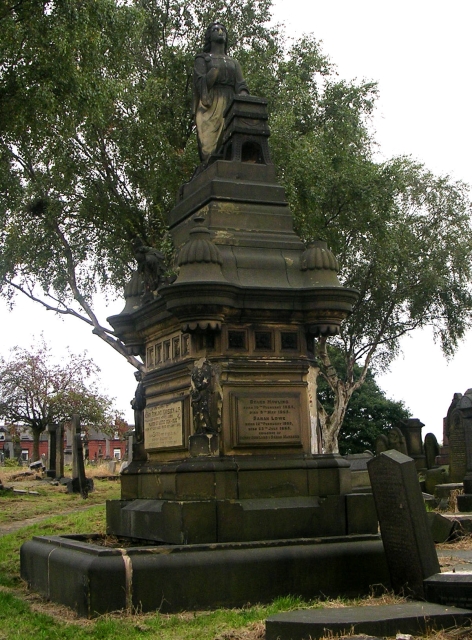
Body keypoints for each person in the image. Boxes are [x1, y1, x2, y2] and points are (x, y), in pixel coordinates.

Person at [193, 23, 249, 162]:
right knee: (208, 148)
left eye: (223, 30)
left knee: (229, 145)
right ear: (209, 36)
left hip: (230, 104)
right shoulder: (203, 59)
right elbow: (199, 84)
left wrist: (243, 98)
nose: (220, 31)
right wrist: (212, 74)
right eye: (215, 30)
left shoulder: (233, 63)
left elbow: (241, 85)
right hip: (209, 104)